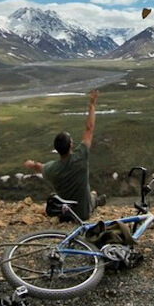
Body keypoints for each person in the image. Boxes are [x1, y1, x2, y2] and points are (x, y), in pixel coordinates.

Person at [24, 89, 104, 220]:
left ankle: (95, 199)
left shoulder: (53, 169)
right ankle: (96, 200)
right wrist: (92, 104)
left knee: (87, 195)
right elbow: (89, 129)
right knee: (92, 195)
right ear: (71, 145)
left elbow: (40, 167)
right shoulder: (80, 157)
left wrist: (31, 164)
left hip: (64, 214)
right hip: (82, 213)